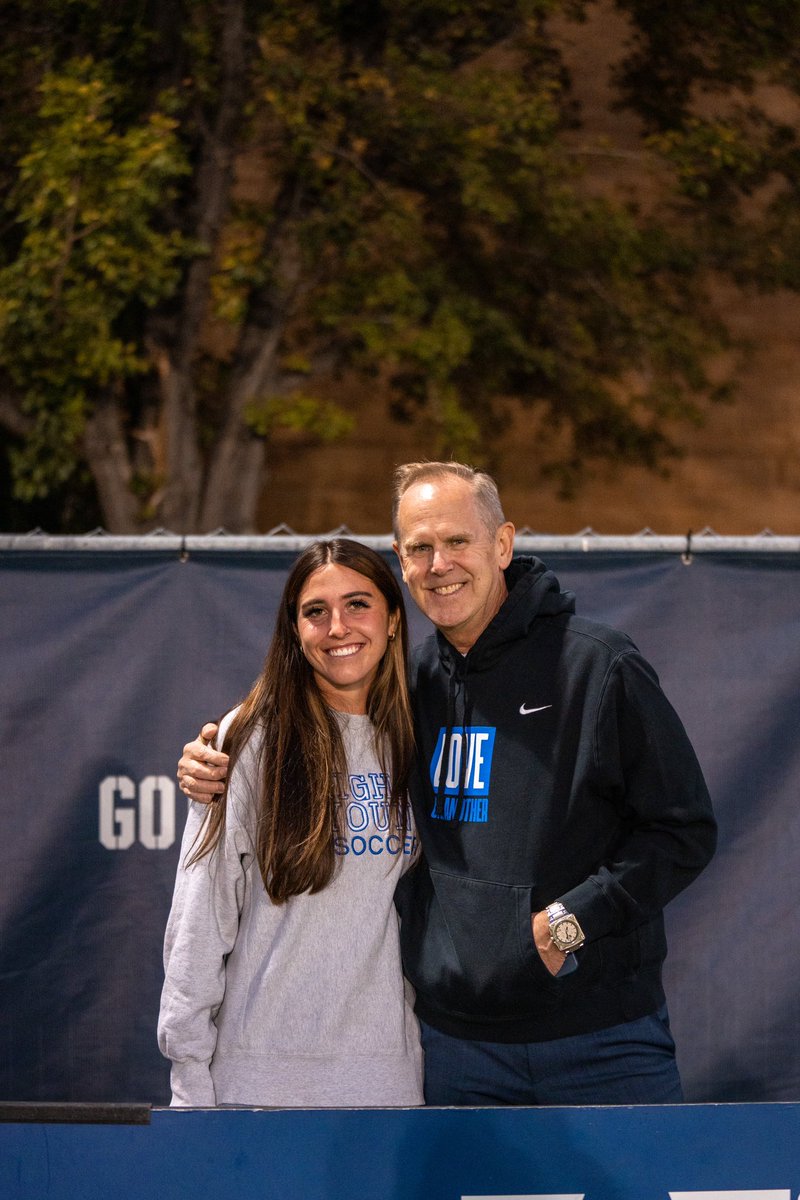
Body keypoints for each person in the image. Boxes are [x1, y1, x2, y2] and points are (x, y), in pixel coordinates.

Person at [178, 461, 717, 1106]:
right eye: (419, 548)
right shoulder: (408, 688)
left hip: (601, 1041)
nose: (440, 564)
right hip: (457, 1052)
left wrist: (567, 923)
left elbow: (682, 830)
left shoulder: (599, 666)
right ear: (402, 565)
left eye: (457, 541)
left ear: (503, 544)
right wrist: (214, 760)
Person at [159, 538, 424, 1107]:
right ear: (293, 629)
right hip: (256, 1081)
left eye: (358, 604)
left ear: (394, 620)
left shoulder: (418, 737)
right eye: (315, 611)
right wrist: (189, 1081)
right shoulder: (252, 737)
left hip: (388, 1082)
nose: (338, 627)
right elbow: (200, 919)